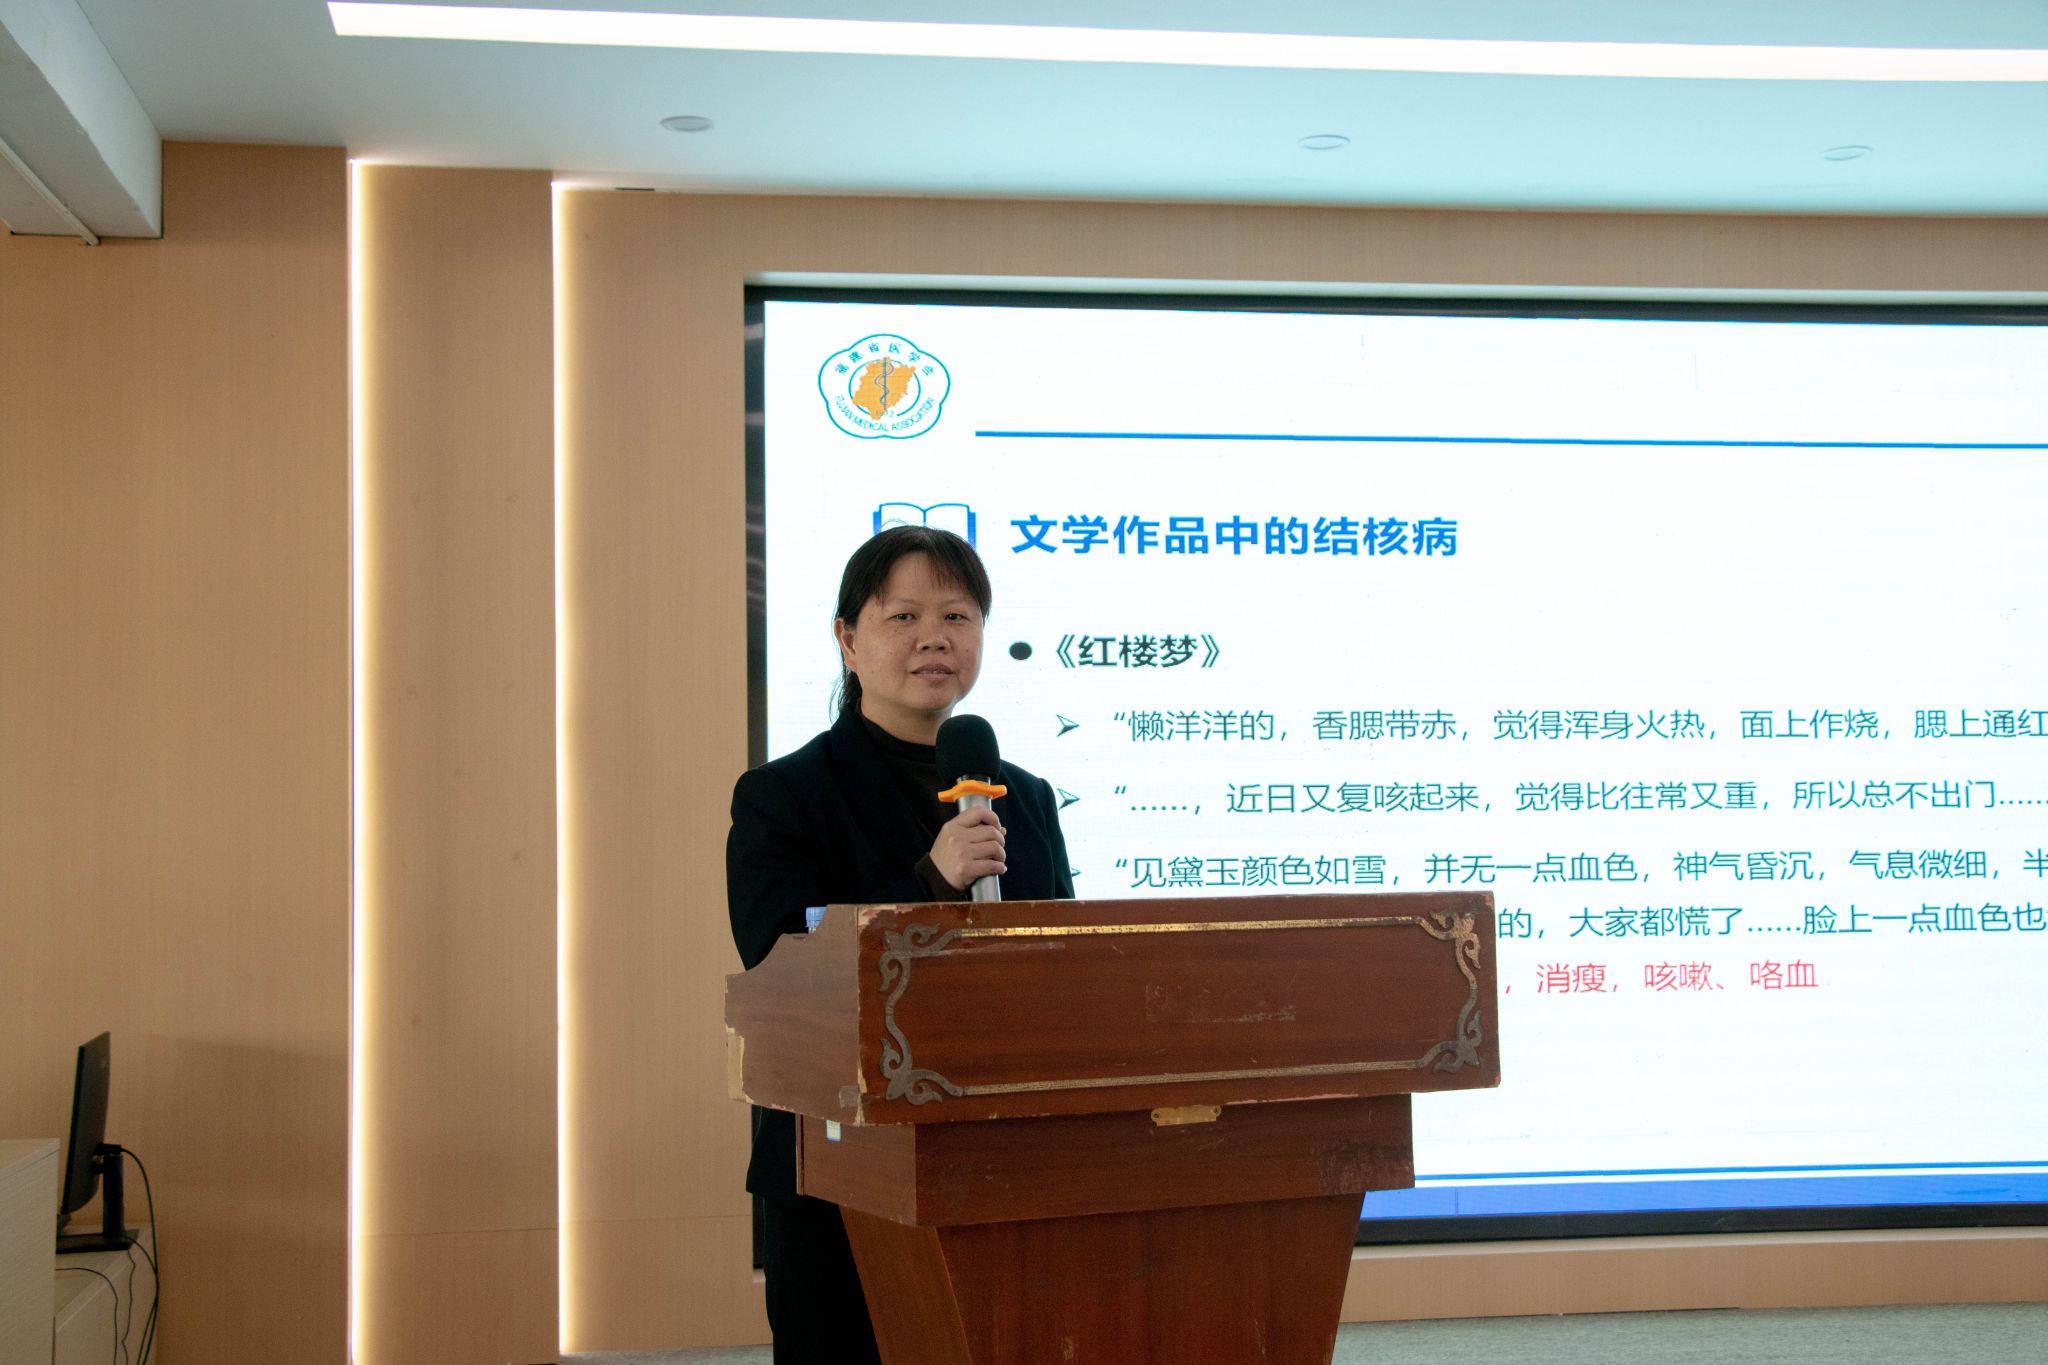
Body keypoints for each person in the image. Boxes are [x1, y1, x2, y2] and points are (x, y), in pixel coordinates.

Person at [725, 525, 1073, 1364]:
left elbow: (1064, 970)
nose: (934, 638)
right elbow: (779, 961)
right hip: (840, 1171)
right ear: (848, 640)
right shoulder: (784, 795)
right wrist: (929, 879)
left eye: (957, 616)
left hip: (999, 1159)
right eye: (904, 616)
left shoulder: (1023, 797)